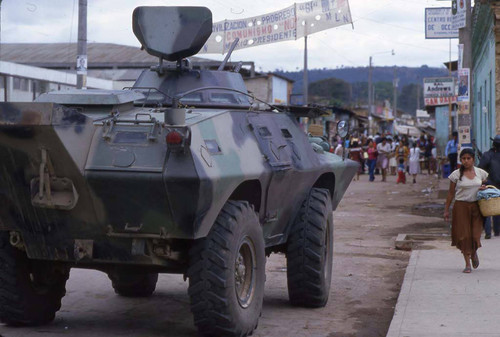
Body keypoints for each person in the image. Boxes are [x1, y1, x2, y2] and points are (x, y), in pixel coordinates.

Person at [444, 148, 488, 273]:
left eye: (469, 158)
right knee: (464, 236)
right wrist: (446, 210)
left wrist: (483, 188)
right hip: (461, 207)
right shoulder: (456, 175)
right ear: (460, 160)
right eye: (463, 159)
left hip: (476, 207)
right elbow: (450, 194)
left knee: (475, 235)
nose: (466, 161)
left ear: (473, 159)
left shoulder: (481, 173)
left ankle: (473, 253)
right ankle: (467, 264)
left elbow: (487, 186)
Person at [478, 134, 500, 239]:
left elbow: (480, 169)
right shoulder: (488, 155)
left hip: (490, 186)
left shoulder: (487, 155)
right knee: (495, 209)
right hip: (492, 186)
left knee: (488, 209)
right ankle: (496, 231)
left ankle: (490, 232)